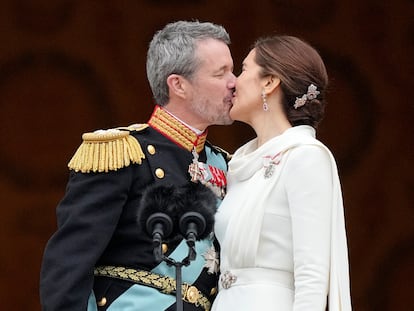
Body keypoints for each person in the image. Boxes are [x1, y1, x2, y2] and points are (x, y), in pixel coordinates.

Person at [40, 20, 236, 311]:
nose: (235, 82)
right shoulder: (123, 152)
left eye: (232, 70)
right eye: (221, 73)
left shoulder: (227, 163)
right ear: (178, 85)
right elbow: (68, 264)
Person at [211, 35, 352, 310]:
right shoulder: (240, 164)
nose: (233, 82)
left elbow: (312, 276)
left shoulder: (305, 157)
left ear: (269, 82)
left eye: (243, 69)